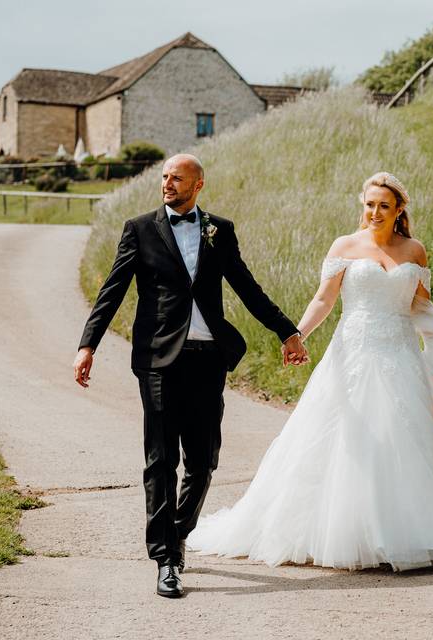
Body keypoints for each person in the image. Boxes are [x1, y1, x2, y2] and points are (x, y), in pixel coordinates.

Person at [187, 172, 433, 571]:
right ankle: (343, 532)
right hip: (353, 354)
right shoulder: (345, 246)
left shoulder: (414, 251)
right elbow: (324, 299)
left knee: (407, 439)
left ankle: (409, 531)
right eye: (370, 204)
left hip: (401, 355)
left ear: (399, 211)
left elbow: (423, 309)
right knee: (344, 439)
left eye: (384, 206)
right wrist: (297, 335)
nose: (375, 212)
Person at [73, 154, 308, 598]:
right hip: (159, 359)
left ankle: (178, 532)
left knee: (203, 460)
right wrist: (88, 345)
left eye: (176, 178)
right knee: (161, 459)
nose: (167, 183)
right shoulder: (139, 229)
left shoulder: (220, 230)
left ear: (198, 184)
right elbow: (113, 289)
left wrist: (287, 330)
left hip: (207, 358)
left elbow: (246, 285)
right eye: (164, 177)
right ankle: (165, 558)